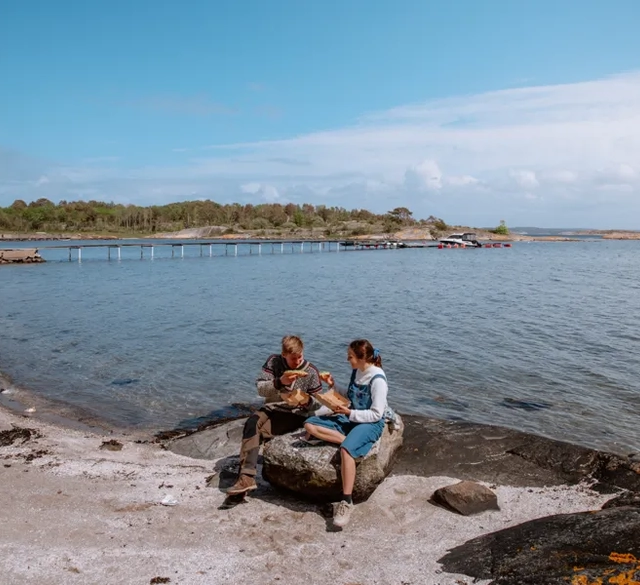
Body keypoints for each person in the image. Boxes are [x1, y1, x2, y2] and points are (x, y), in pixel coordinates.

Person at [304, 339, 391, 528]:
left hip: (370, 423)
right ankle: (350, 442)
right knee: (309, 425)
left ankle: (346, 501)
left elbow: (377, 413)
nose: (347, 359)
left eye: (350, 356)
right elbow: (351, 396)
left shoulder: (378, 379)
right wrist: (333, 386)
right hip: (352, 418)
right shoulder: (357, 371)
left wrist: (349, 413)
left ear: (361, 358)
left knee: (345, 451)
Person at [226, 335, 322, 495]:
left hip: (295, 414)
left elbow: (319, 404)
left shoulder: (311, 371)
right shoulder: (274, 362)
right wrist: (280, 382)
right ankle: (247, 478)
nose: (298, 362)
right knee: (252, 423)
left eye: (300, 357)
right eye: (293, 359)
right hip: (271, 408)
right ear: (283, 355)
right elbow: (260, 388)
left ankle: (245, 476)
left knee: (259, 434)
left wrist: (306, 401)